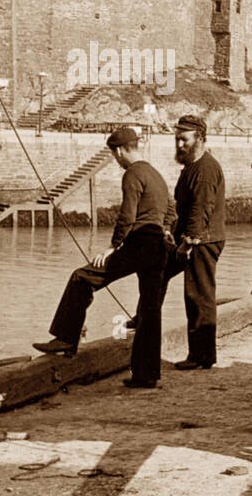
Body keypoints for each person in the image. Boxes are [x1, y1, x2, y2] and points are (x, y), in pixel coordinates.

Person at [32, 127, 175, 389]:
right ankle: (147, 374)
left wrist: (113, 246)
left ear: (119, 150)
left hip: (139, 244)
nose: (116, 160)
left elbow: (127, 215)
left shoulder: (132, 174)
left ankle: (65, 337)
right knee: (150, 311)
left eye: (114, 154)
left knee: (82, 278)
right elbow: (171, 210)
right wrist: (165, 230)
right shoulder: (156, 175)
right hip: (158, 247)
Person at [162, 114, 226, 370]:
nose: (179, 145)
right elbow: (182, 205)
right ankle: (142, 319)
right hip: (191, 238)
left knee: (199, 296)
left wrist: (189, 241)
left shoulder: (205, 170)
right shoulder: (193, 165)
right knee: (159, 272)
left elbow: (202, 209)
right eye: (177, 140)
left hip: (202, 241)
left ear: (200, 139)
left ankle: (202, 356)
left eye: (184, 140)